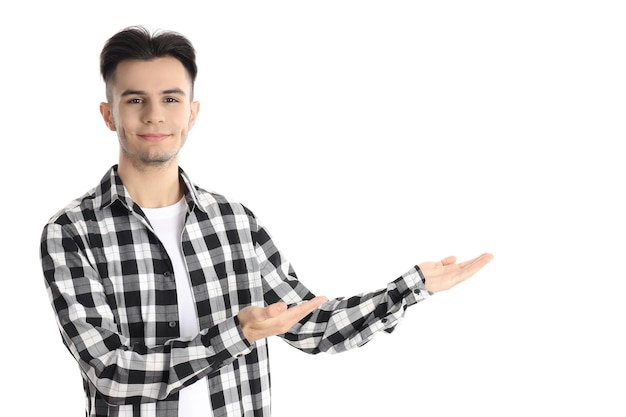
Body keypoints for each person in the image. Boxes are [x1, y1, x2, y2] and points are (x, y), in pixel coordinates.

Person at [39, 25, 494, 417]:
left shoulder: (235, 222)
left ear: (192, 114)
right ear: (108, 114)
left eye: (171, 99)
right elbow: (110, 373)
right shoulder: (72, 232)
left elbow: (312, 327)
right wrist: (238, 334)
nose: (155, 114)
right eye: (135, 98)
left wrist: (412, 286)